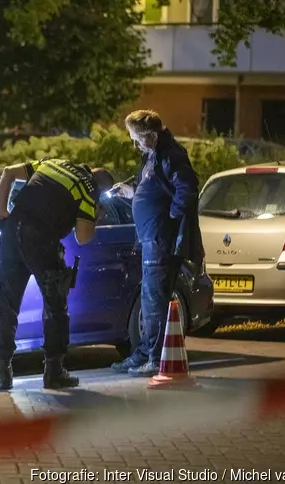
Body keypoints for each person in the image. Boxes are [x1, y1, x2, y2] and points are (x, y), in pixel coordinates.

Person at [0, 158, 115, 390]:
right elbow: (83, 237)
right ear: (100, 186)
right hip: (40, 241)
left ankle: (2, 374)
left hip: (11, 232)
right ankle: (54, 372)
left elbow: (7, 172)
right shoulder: (88, 189)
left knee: (6, 303)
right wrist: (95, 215)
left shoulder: (53, 163)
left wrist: (1, 210)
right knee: (55, 305)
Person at [111, 110, 204, 377]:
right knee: (149, 299)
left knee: (155, 301)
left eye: (137, 139)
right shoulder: (153, 155)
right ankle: (143, 353)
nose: (135, 144)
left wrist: (169, 219)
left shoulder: (171, 154)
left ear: (151, 135)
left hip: (160, 240)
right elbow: (156, 190)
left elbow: (187, 190)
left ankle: (154, 358)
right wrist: (133, 193)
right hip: (151, 238)